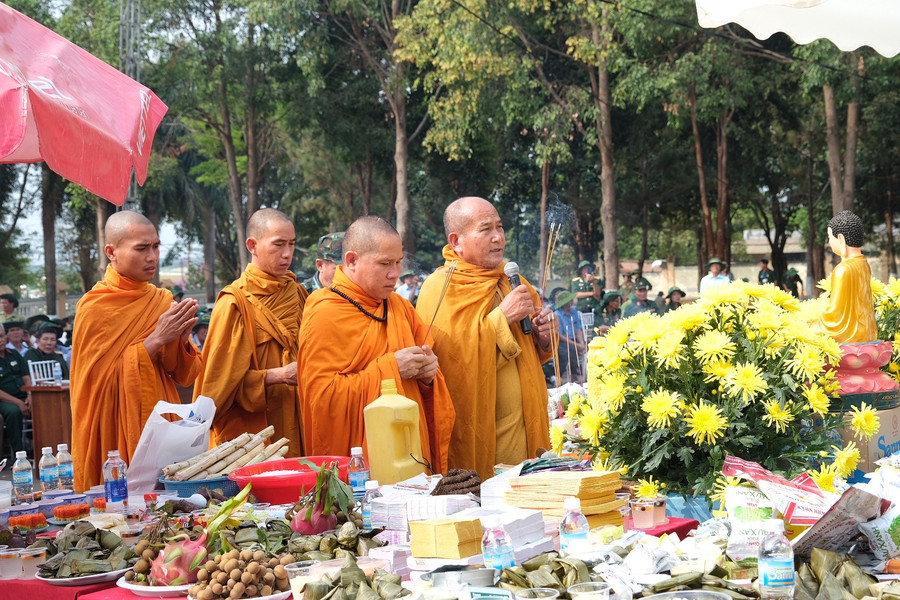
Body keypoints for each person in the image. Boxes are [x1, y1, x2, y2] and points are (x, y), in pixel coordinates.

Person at [298, 216, 455, 473]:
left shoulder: (399, 306)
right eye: (384, 263)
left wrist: (428, 375)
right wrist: (392, 368)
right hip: (362, 469)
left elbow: (424, 383)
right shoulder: (325, 312)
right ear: (351, 261)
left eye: (397, 262)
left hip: (411, 454)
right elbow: (322, 400)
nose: (395, 274)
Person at [416, 197, 555, 479]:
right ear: (456, 241)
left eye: (500, 227)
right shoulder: (441, 287)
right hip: (482, 427)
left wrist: (544, 336)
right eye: (486, 229)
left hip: (527, 423)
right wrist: (501, 317)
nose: (498, 238)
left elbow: (537, 350)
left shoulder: (511, 279)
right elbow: (450, 363)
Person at [70, 210, 202, 491]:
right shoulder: (94, 307)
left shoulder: (160, 300)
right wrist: (156, 340)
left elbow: (183, 375)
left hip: (158, 418)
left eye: (155, 247)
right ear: (111, 251)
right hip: (112, 426)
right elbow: (93, 386)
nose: (152, 257)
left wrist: (179, 340)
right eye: (141, 248)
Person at [195, 208, 309, 457]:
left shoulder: (298, 294)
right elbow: (217, 389)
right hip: (253, 440)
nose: (287, 254)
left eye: (291, 244)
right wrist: (276, 375)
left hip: (301, 424)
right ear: (252, 245)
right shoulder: (234, 303)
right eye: (278, 245)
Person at [818, 210, 876, 344]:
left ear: (840, 239)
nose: (829, 242)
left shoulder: (843, 270)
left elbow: (834, 317)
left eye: (829, 238)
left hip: (848, 335)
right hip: (868, 332)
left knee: (805, 329)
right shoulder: (864, 264)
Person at [0, 323, 31, 454]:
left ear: (5, 336)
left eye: (1, 336)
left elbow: (26, 377)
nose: (0, 340)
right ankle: (18, 454)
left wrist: (30, 395)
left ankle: (41, 449)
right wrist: (18, 403)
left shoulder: (14, 354)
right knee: (13, 412)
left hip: (24, 395)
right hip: (4, 401)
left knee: (42, 406)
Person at [554, 291, 584, 384]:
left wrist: (581, 343)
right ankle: (570, 374)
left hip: (575, 339)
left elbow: (578, 328)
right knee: (567, 351)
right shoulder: (557, 314)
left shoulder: (574, 311)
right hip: (563, 341)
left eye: (571, 301)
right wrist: (577, 345)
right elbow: (560, 335)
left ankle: (578, 373)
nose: (570, 304)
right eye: (568, 302)